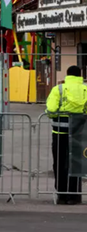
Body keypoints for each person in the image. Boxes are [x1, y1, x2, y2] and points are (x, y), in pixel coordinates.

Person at [46, 65, 87, 205]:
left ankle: (61, 195)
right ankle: (74, 196)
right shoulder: (85, 89)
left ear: (67, 75)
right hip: (78, 134)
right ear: (80, 75)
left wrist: (53, 115)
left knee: (59, 162)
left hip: (59, 133)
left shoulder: (59, 89)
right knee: (75, 163)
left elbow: (51, 109)